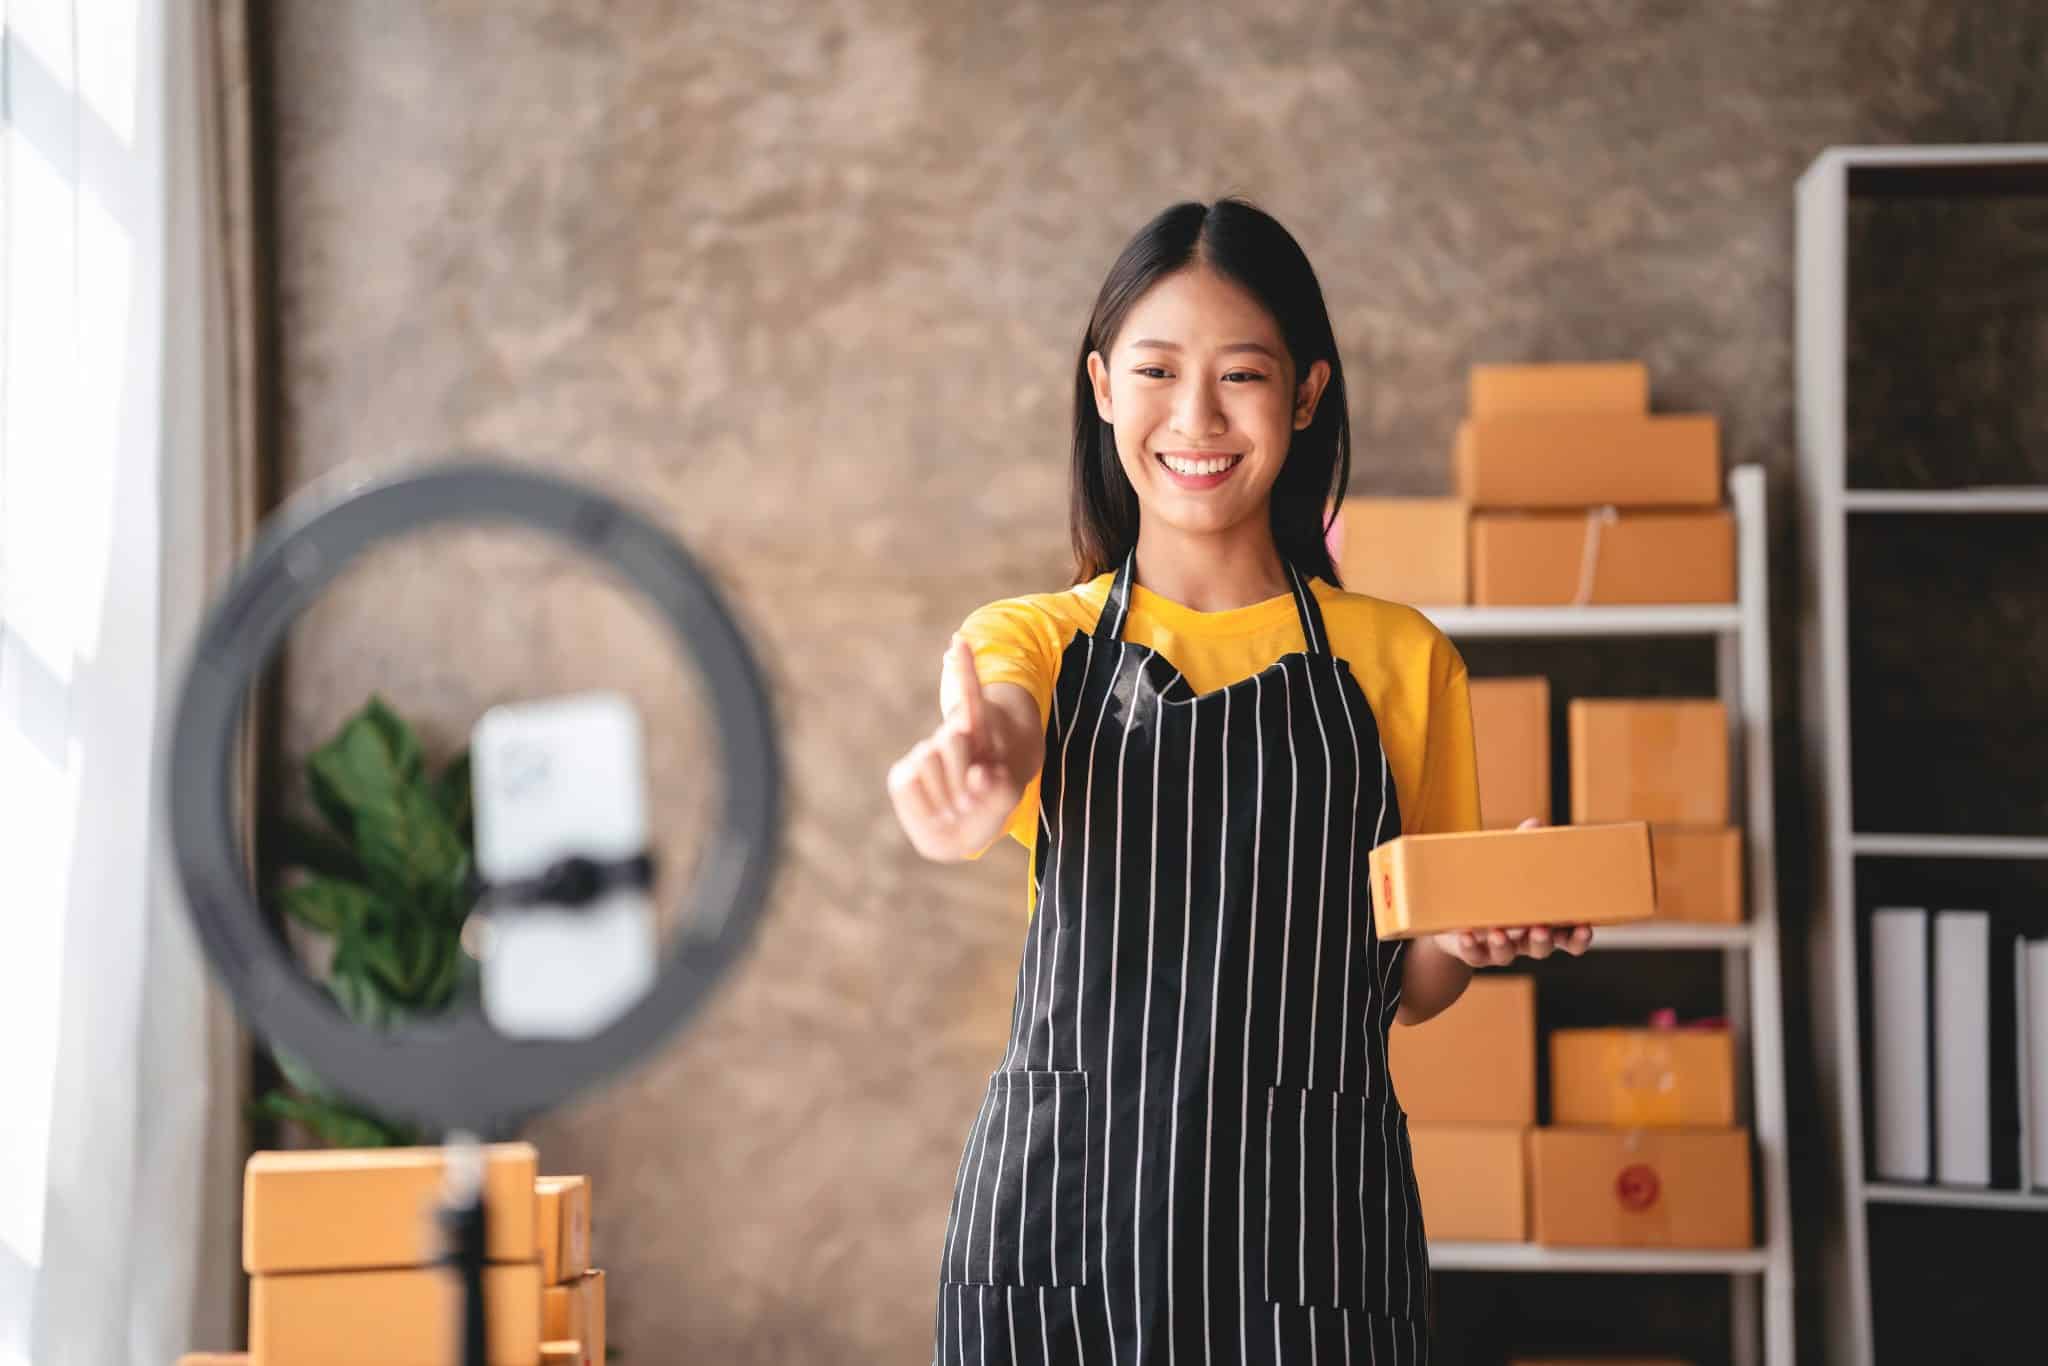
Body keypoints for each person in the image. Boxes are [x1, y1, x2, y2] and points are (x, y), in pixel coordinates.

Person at [886, 197, 1592, 1366]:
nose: (1195, 418)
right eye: (1156, 371)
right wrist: (972, 770)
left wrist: (1465, 938)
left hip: (1307, 1238)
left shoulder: (1400, 659)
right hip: (1055, 1239)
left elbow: (1411, 983)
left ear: (1306, 394)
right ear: (1102, 386)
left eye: (1242, 376)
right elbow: (997, 729)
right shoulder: (1036, 640)